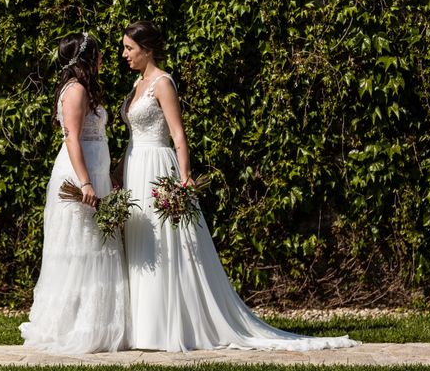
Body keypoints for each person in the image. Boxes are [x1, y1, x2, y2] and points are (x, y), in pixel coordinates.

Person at [119, 20, 358, 352]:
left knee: (166, 244)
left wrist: (183, 178)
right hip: (135, 166)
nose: (124, 54)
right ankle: (143, 327)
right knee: (142, 244)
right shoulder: (136, 83)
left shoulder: (162, 83)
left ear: (147, 49)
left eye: (129, 48)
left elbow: (178, 134)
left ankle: (169, 325)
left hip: (158, 167)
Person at [20, 32, 129, 354]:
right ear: (85, 58)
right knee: (81, 247)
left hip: (95, 171)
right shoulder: (76, 90)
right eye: (98, 54)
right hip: (79, 174)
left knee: (97, 244)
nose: (102, 59)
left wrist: (105, 176)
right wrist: (85, 182)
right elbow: (72, 140)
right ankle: (73, 326)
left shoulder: (85, 90)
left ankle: (95, 322)